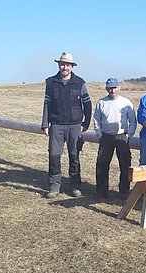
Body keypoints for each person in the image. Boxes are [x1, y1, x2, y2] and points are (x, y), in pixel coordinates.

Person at [41, 52, 92, 199]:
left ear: (72, 66)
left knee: (74, 157)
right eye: (63, 64)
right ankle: (54, 187)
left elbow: (87, 104)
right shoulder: (51, 82)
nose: (65, 67)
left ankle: (75, 187)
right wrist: (45, 124)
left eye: (68, 65)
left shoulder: (80, 82)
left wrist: (85, 124)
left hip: (75, 126)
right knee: (54, 156)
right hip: (56, 126)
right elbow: (47, 104)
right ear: (59, 65)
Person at [94, 78, 137, 200]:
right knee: (102, 164)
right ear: (106, 89)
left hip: (121, 136)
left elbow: (133, 121)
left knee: (125, 165)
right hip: (106, 137)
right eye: (110, 88)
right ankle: (102, 191)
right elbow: (96, 120)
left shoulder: (126, 103)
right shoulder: (101, 103)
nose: (112, 90)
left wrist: (128, 135)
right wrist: (99, 135)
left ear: (119, 88)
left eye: (114, 87)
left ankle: (124, 191)